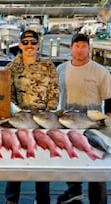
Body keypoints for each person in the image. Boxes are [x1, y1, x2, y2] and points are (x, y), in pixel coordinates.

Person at [4, 30, 59, 204]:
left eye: (33, 43)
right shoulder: (11, 68)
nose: (29, 46)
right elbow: (8, 95)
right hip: (20, 119)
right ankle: (11, 199)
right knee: (16, 159)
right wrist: (19, 114)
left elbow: (54, 92)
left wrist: (47, 114)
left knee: (43, 160)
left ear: (38, 45)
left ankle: (42, 199)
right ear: (20, 45)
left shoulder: (48, 65)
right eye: (25, 42)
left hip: (43, 120)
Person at [57, 33, 111, 204]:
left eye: (83, 46)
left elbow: (109, 99)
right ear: (71, 48)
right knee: (72, 158)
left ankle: (99, 200)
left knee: (97, 163)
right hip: (68, 121)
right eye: (77, 46)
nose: (80, 50)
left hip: (92, 123)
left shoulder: (101, 71)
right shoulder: (60, 69)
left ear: (89, 48)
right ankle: (74, 192)